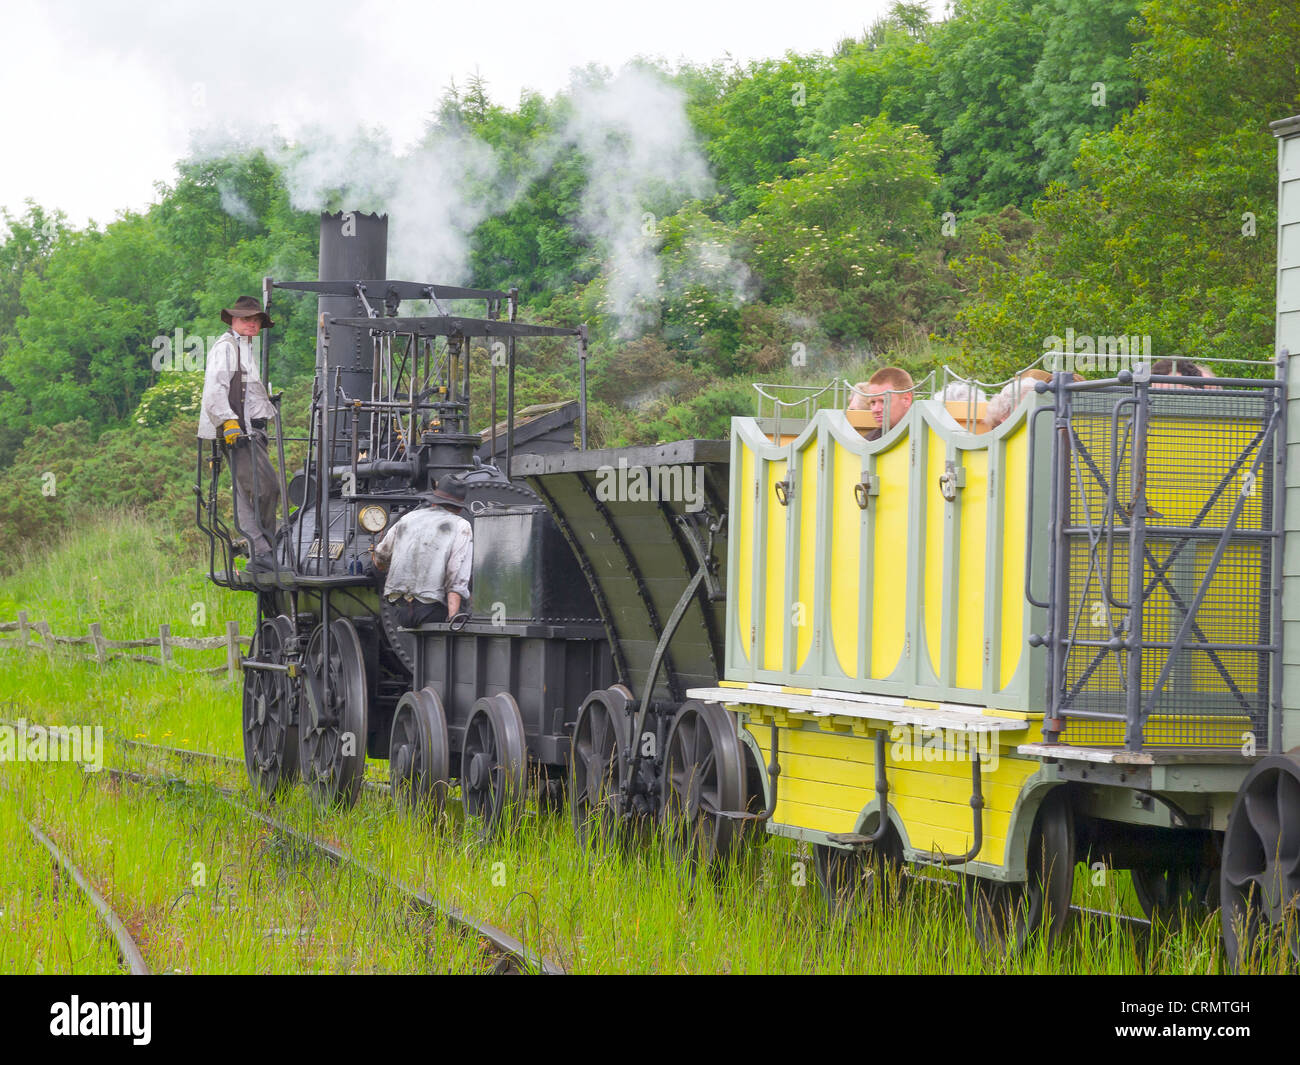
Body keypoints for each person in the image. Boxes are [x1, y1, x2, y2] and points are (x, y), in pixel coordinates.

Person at [198, 296, 280, 573]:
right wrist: (229, 422)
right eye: (246, 319)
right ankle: (262, 548)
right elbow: (213, 391)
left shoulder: (244, 347)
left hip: (250, 431)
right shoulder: (226, 347)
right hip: (239, 433)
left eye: (256, 320)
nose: (252, 324)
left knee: (248, 494)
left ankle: (260, 551)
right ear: (234, 320)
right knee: (266, 487)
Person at [371, 479, 473, 628]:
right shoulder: (461, 525)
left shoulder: (407, 519)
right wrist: (453, 618)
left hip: (401, 612)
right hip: (431, 612)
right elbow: (456, 577)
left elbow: (380, 557)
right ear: (458, 508)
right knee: (468, 610)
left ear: (434, 502)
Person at [848, 367, 915, 440]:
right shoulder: (868, 442)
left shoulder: (926, 435)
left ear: (906, 399)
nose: (875, 410)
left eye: (884, 401)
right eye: (872, 402)